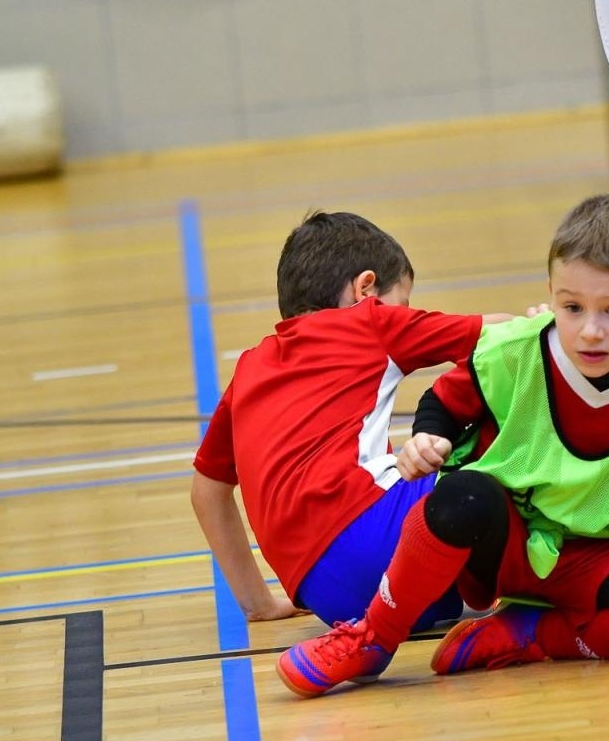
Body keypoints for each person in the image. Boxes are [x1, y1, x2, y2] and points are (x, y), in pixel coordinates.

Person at [276, 193, 609, 698]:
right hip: (505, 541)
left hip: (597, 552)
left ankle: (536, 634)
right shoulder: (516, 352)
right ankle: (373, 638)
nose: (589, 331)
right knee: (462, 493)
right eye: (572, 307)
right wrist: (426, 436)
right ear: (551, 294)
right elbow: (444, 398)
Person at [190, 210, 507, 631]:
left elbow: (206, 492)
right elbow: (508, 337)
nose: (405, 315)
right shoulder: (369, 321)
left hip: (332, 600)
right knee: (502, 411)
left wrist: (258, 603)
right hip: (385, 550)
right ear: (366, 289)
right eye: (404, 304)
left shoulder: (248, 369)